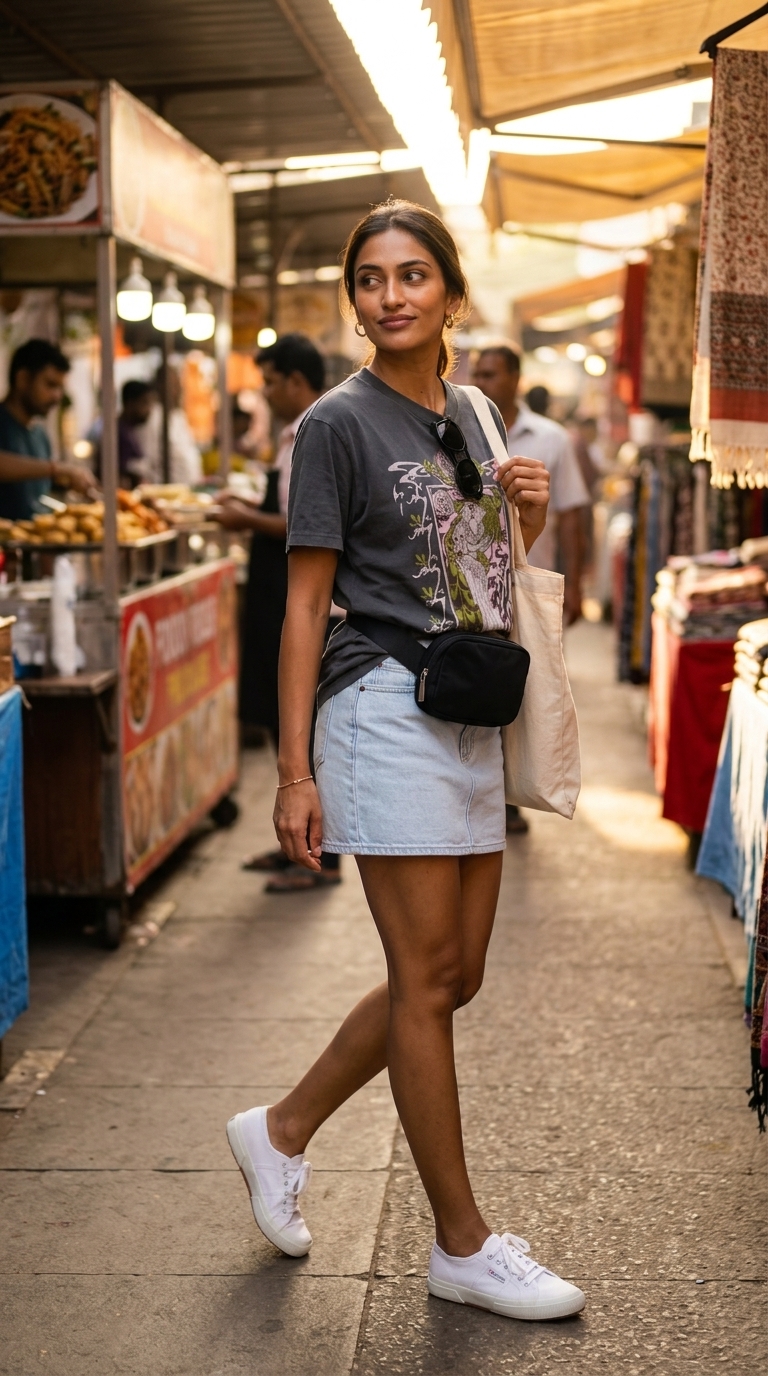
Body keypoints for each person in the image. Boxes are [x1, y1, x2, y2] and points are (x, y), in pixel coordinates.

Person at [225, 201, 586, 1324]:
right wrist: (294, 771)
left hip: (470, 698)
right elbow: (303, 604)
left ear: (451, 292)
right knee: (425, 979)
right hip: (380, 702)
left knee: (455, 974)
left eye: (414, 274)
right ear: (356, 296)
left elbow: (480, 570)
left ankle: (279, 1127)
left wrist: (522, 511)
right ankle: (462, 1240)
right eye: (371, 277)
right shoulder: (332, 423)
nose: (391, 294)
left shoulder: (475, 410)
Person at [214, 333, 341, 893]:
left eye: (269, 381)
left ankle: (319, 854)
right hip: (277, 593)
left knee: (304, 726)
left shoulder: (314, 433)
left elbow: (302, 527)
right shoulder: (293, 435)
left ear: (294, 380)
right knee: (277, 714)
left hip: (299, 598)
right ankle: (298, 841)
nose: (265, 393)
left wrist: (244, 519)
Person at [471, 345, 589, 834]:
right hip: (481, 589)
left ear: (516, 378)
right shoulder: (463, 430)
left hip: (531, 583)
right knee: (484, 680)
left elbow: (573, 515)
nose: (483, 381)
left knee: (528, 685)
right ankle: (491, 789)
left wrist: (578, 584)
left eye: (491, 374)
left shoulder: (552, 439)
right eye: (476, 373)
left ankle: (517, 787)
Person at [0, 338, 98, 519]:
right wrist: (57, 469)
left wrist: (67, 483)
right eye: (50, 385)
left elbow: (37, 493)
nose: (57, 396)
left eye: (60, 388)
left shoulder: (39, 435)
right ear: (22, 379)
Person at [133, 364, 202, 486]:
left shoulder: (178, 415)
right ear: (159, 385)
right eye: (172, 383)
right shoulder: (153, 417)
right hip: (165, 489)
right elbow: (145, 461)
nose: (177, 388)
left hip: (187, 489)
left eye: (178, 383)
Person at [117, 380, 154, 487]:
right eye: (145, 402)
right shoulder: (118, 433)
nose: (149, 409)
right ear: (130, 403)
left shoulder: (130, 430)